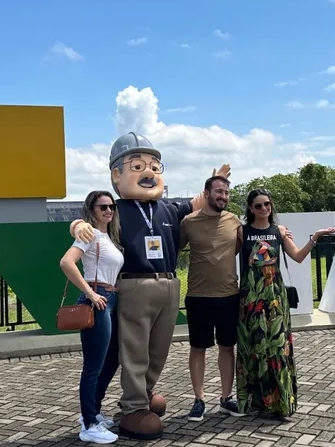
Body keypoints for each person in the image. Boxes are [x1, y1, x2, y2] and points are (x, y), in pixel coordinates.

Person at [69, 131, 231, 440]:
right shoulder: (114, 210)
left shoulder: (168, 209)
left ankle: (144, 393)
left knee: (159, 350)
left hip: (169, 285)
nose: (149, 173)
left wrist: (213, 183)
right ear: (116, 174)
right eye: (138, 165)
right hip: (133, 287)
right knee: (134, 351)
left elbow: (196, 203)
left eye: (155, 167)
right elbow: (87, 221)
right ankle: (132, 407)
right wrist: (76, 225)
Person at [236, 188, 335, 419]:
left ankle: (279, 402)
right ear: (251, 209)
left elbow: (299, 257)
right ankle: (256, 402)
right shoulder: (242, 232)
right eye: (259, 205)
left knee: (277, 348)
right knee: (253, 348)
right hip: (251, 299)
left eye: (267, 204)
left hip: (275, 300)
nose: (264, 208)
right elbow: (225, 256)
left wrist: (317, 236)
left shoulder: (279, 231)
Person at [59, 191, 125, 444]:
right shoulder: (90, 235)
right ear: (92, 210)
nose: (109, 211)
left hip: (110, 299)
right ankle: (88, 424)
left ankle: (94, 411)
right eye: (103, 207)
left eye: (111, 207)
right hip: (96, 299)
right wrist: (89, 293)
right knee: (93, 368)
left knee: (112, 359)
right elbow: (66, 262)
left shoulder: (108, 236)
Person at [178, 175, 245, 421]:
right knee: (198, 349)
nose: (223, 197)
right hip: (198, 297)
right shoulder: (188, 222)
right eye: (218, 192)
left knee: (228, 348)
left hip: (229, 295)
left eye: (226, 193)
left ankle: (227, 398)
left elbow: (239, 248)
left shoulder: (234, 222)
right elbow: (172, 247)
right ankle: (199, 400)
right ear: (206, 193)